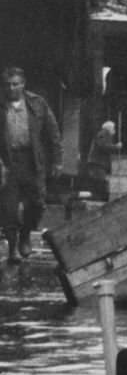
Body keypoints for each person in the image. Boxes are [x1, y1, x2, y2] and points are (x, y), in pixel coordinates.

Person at [0, 67, 63, 262]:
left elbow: (53, 133)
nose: (11, 88)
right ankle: (12, 248)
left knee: (36, 203)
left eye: (15, 84)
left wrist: (58, 160)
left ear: (23, 84)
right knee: (8, 207)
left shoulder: (38, 103)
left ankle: (25, 234)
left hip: (32, 161)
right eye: (8, 85)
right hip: (7, 162)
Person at [85, 120, 117, 200]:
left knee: (99, 182)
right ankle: (98, 200)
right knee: (100, 182)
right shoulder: (103, 134)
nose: (114, 130)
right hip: (97, 163)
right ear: (109, 128)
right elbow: (103, 146)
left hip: (98, 163)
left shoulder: (105, 135)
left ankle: (98, 199)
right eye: (113, 128)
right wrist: (115, 147)